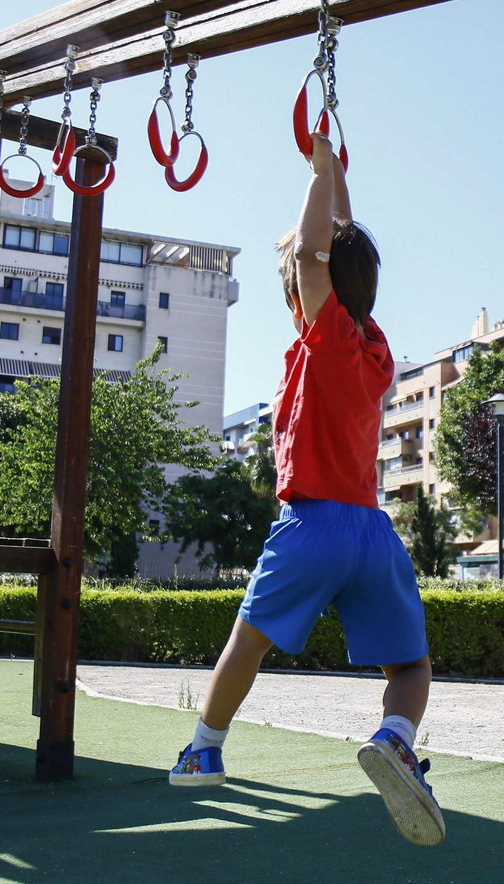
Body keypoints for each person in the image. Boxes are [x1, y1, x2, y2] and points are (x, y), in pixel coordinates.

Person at [168, 132, 444, 847]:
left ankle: (203, 750)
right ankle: (396, 738)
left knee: (248, 642)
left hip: (312, 527)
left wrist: (320, 171)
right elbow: (334, 246)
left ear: (304, 289)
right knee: (410, 664)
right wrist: (338, 173)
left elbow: (314, 253)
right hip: (372, 533)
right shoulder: (374, 349)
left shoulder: (326, 341)